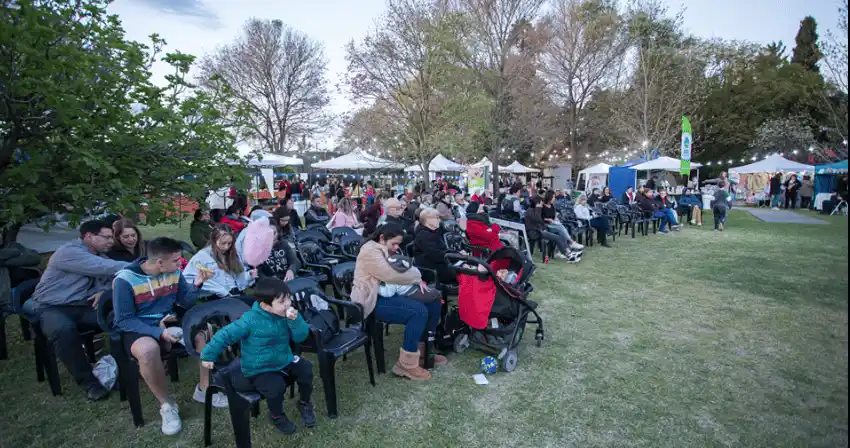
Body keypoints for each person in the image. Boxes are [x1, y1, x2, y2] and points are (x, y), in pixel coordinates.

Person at [112, 237, 219, 435]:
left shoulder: (174, 273)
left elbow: (185, 303)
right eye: (177, 260)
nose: (181, 264)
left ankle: (204, 389)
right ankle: (167, 405)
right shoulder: (124, 280)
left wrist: (197, 283)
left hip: (168, 321)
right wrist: (158, 332)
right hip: (139, 326)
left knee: (205, 331)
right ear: (160, 262)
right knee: (147, 350)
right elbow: (124, 320)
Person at [200, 278, 316, 434]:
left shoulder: (286, 314)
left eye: (288, 297)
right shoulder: (250, 320)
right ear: (265, 306)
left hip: (283, 359)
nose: (288, 303)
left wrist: (296, 321)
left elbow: (300, 337)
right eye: (282, 301)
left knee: (306, 368)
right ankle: (276, 416)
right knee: (275, 387)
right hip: (259, 367)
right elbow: (225, 335)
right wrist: (208, 355)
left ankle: (304, 403)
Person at [31, 220, 128, 400]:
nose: (111, 241)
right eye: (106, 237)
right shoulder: (69, 252)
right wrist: (140, 265)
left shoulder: (99, 255)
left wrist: (103, 291)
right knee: (63, 330)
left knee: (119, 318)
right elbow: (104, 268)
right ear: (89, 237)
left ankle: (121, 370)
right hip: (51, 307)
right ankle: (89, 383)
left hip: (82, 305)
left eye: (111, 237)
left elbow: (110, 279)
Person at [350, 224, 442, 381]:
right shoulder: (369, 251)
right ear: (382, 238)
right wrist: (415, 278)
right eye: (394, 243)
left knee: (433, 300)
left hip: (388, 293)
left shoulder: (386, 249)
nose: (397, 247)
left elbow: (405, 267)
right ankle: (406, 365)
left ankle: (423, 351)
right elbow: (390, 275)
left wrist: (414, 277)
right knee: (418, 311)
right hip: (371, 299)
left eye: (398, 244)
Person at [183, 225, 257, 305]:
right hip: (215, 297)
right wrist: (221, 291)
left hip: (234, 293)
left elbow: (238, 279)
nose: (226, 247)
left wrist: (249, 275)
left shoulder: (232, 254)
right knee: (256, 304)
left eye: (229, 243)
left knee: (259, 302)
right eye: (223, 243)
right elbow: (189, 278)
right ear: (214, 240)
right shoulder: (202, 257)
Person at [413, 208, 456, 283]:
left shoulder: (433, 231)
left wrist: (458, 255)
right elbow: (437, 255)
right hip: (432, 268)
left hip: (439, 263)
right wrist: (456, 258)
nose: (439, 220)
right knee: (466, 271)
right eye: (437, 218)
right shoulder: (424, 235)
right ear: (428, 220)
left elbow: (443, 250)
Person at [541, 190, 584, 255]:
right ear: (549, 197)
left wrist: (556, 220)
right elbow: (540, 218)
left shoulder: (552, 206)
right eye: (553, 197)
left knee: (561, 231)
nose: (554, 198)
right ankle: (571, 242)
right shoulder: (542, 206)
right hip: (546, 225)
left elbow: (554, 216)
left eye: (554, 197)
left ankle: (563, 251)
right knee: (561, 227)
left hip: (553, 224)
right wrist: (548, 219)